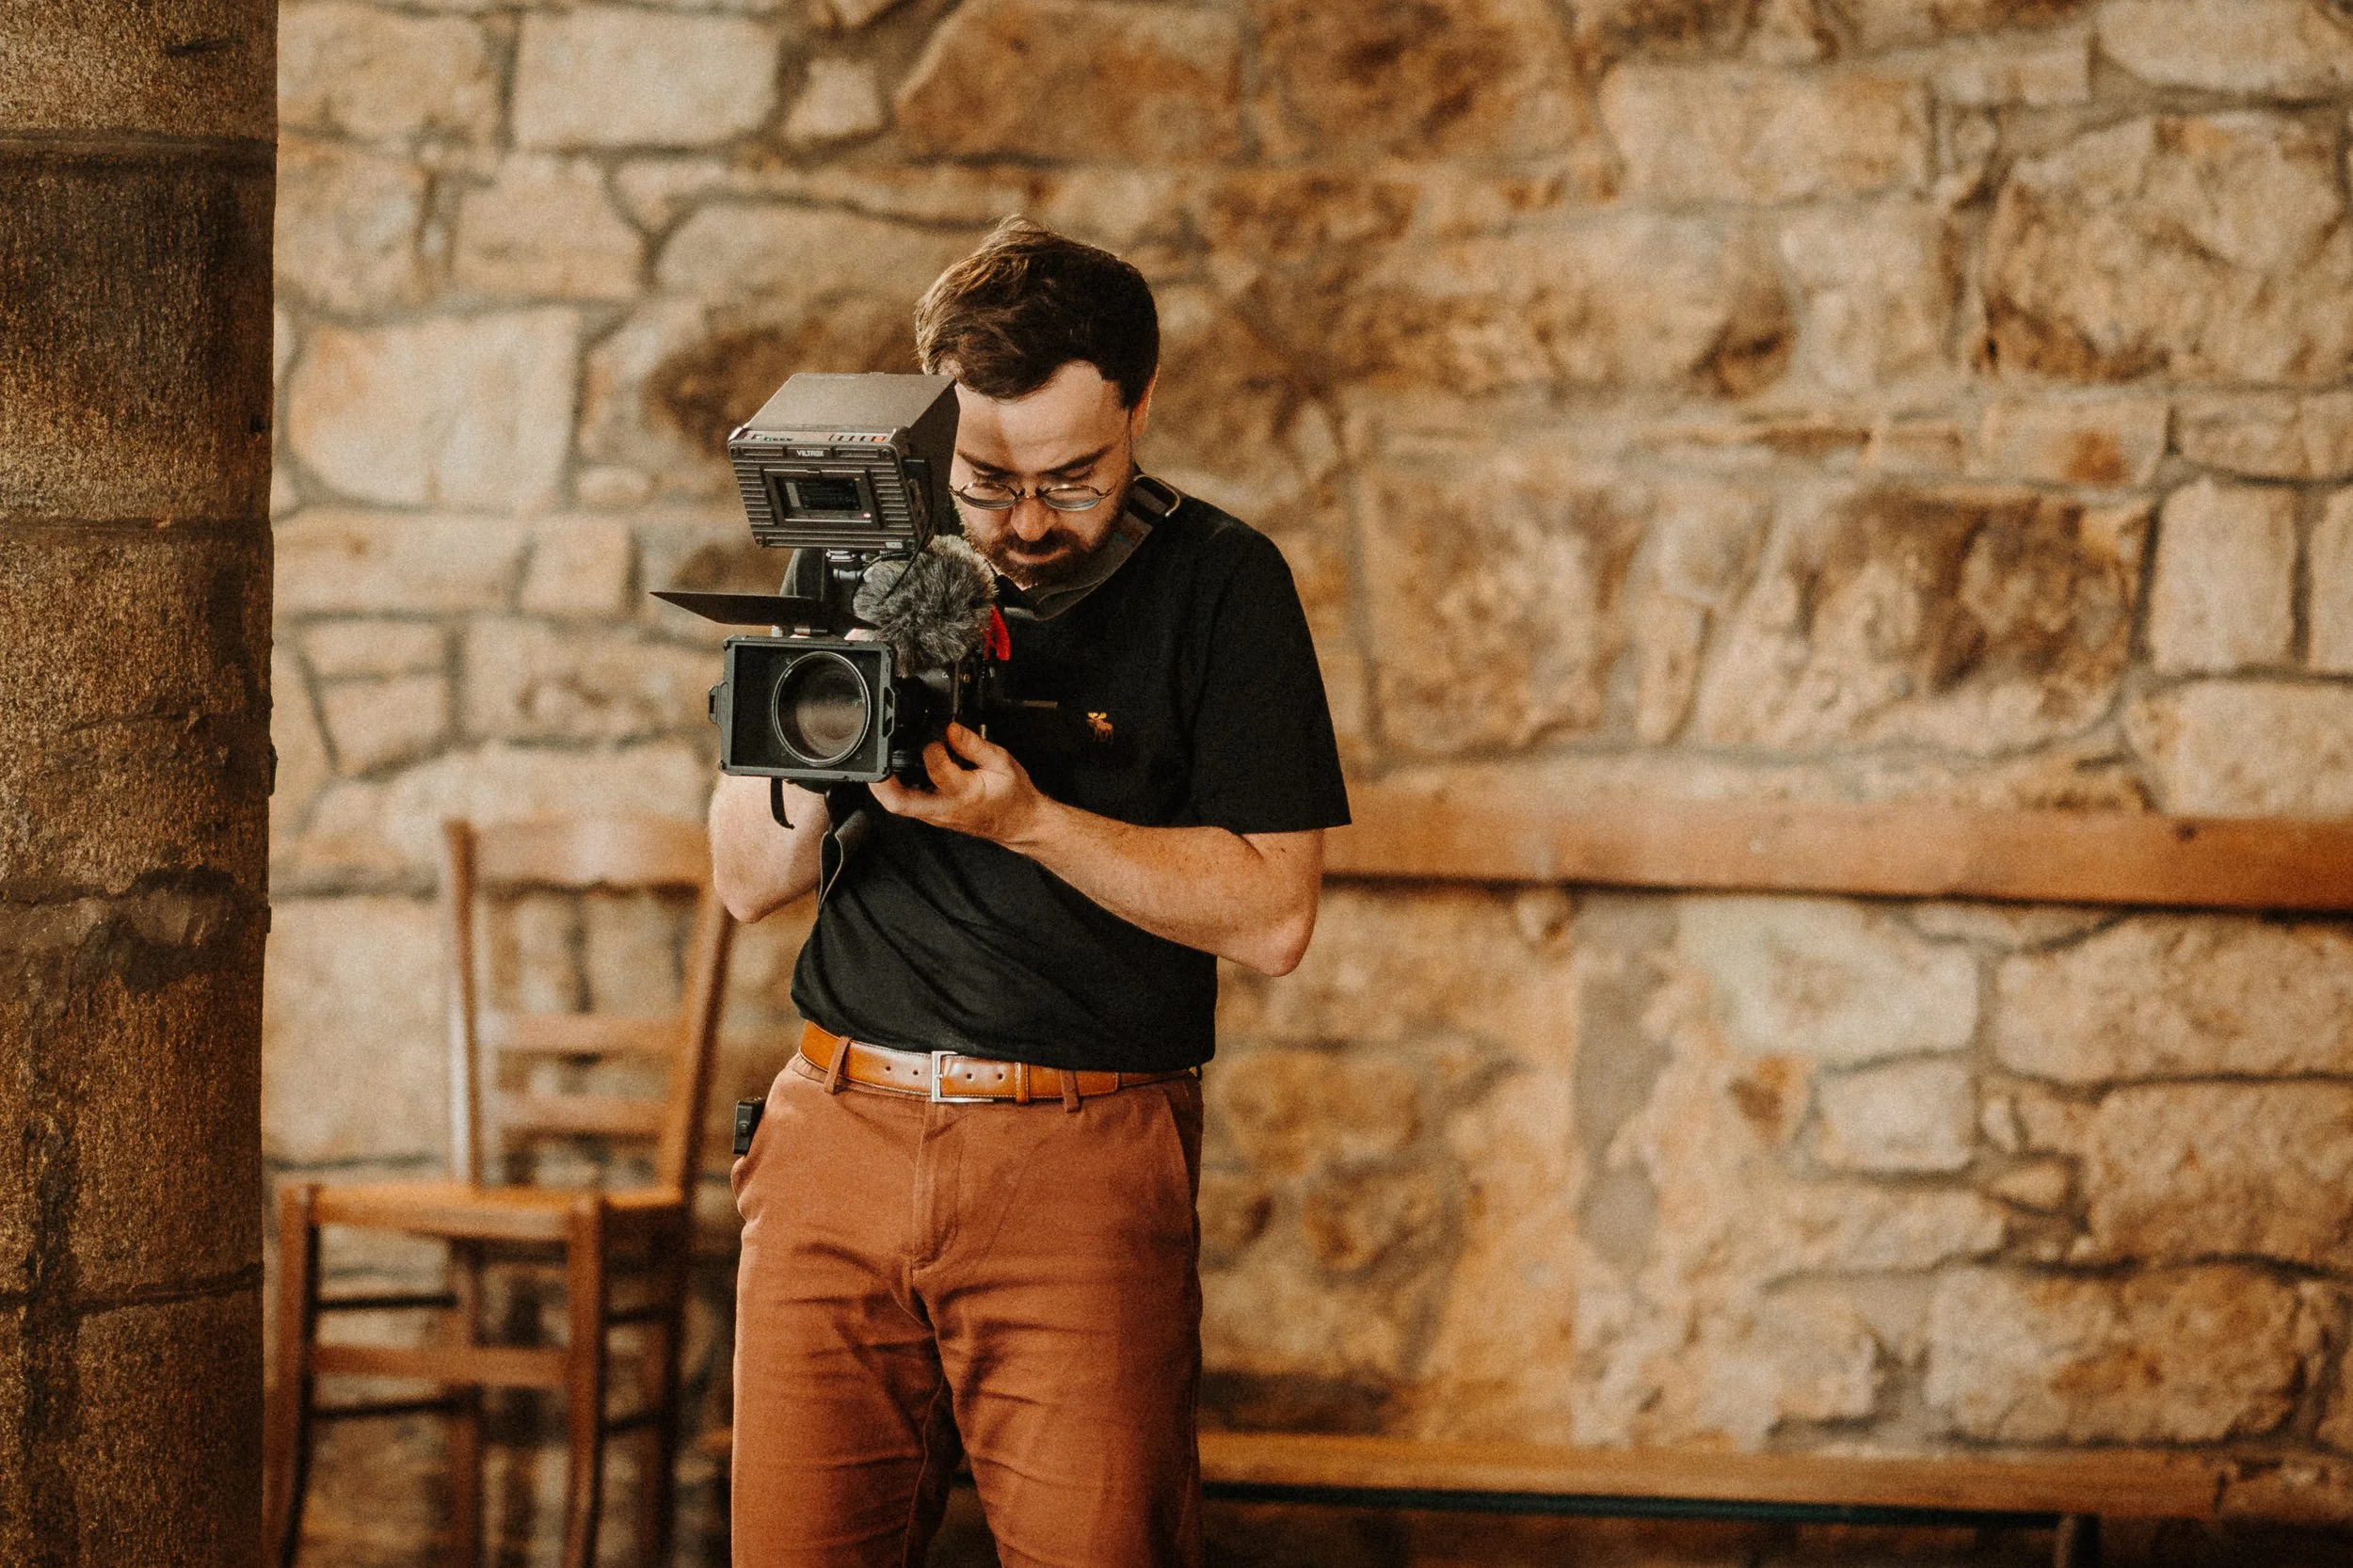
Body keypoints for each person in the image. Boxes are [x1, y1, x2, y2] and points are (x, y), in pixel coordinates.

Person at [712, 216, 1351, 1568]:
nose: (1027, 522)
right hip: (834, 1135)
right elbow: (745, 877)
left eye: (1073, 479)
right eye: (985, 483)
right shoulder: (856, 548)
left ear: (1141, 405)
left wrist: (1033, 823)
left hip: (1079, 1156)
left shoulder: (1222, 583)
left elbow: (1274, 914)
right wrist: (842, 697)